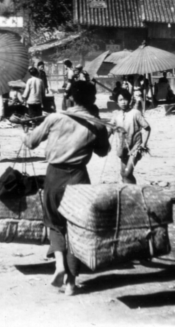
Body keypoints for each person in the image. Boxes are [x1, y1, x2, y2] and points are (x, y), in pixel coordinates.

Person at [23, 80, 110, 296]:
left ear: (70, 97)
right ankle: (71, 283)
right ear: (92, 100)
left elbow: (30, 142)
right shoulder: (97, 125)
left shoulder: (55, 118)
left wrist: (25, 133)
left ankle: (59, 264)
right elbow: (103, 152)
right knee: (76, 228)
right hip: (79, 177)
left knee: (54, 222)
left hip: (54, 175)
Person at [112, 94, 151, 184]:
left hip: (135, 146)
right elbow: (110, 128)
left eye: (125, 99)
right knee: (123, 173)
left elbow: (147, 128)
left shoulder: (135, 113)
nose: (123, 102)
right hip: (122, 147)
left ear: (130, 100)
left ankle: (133, 193)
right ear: (117, 102)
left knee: (127, 173)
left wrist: (144, 144)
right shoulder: (116, 115)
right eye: (120, 99)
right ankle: (129, 192)